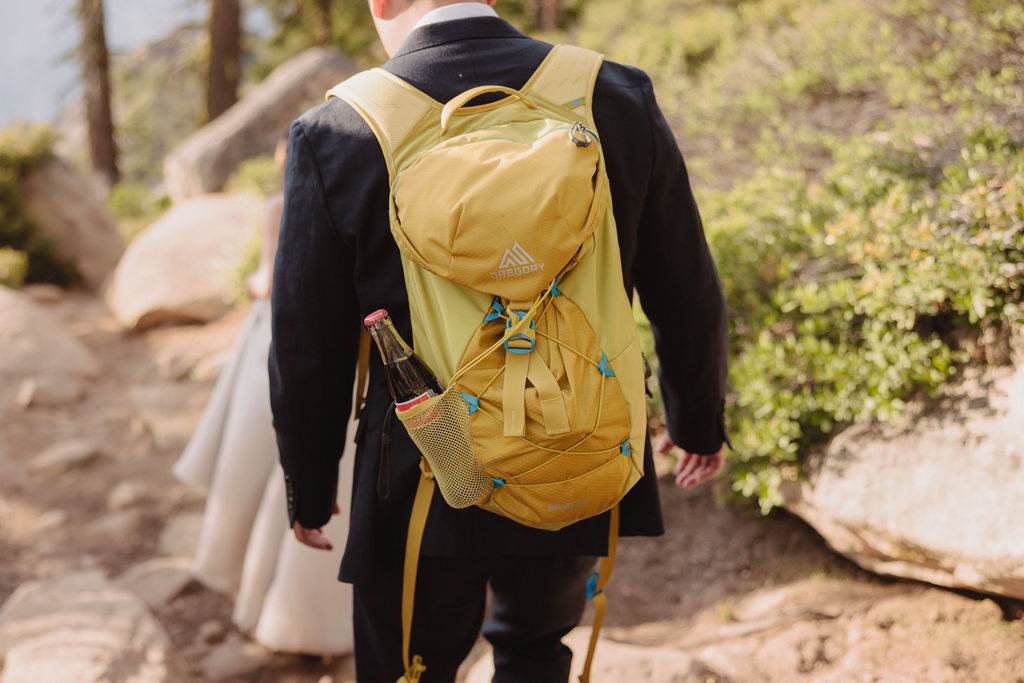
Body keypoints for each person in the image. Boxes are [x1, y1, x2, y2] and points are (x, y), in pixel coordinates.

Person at [269, 1, 729, 680]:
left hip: (421, 469)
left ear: (381, 3)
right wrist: (697, 421)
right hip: (578, 443)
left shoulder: (338, 130)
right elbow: (684, 281)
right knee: (536, 651)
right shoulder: (612, 93)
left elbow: (307, 343)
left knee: (409, 669)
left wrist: (308, 483)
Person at [174, 149, 355, 656]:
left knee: (269, 471)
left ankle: (263, 605)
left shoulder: (281, 205)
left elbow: (270, 280)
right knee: (309, 481)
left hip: (283, 343)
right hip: (345, 354)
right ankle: (310, 621)